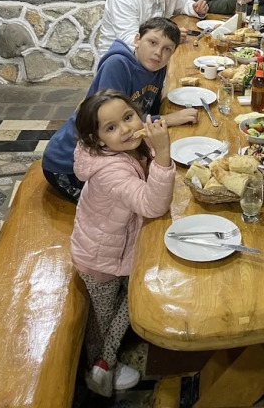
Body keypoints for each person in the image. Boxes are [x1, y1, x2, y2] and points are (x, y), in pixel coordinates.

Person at [71, 89, 176, 397]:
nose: (127, 129)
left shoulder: (130, 147)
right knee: (101, 320)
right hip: (99, 258)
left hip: (121, 245)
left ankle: (105, 357)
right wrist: (164, 156)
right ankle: (98, 370)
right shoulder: (110, 171)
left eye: (128, 117)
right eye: (111, 127)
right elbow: (152, 205)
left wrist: (156, 149)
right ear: (99, 140)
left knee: (133, 297)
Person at [43, 17, 197, 203]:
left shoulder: (158, 68)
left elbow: (146, 113)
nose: (158, 53)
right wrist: (170, 118)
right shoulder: (117, 64)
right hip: (67, 163)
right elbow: (111, 118)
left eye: (167, 49)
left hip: (111, 151)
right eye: (152, 42)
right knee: (121, 207)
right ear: (137, 40)